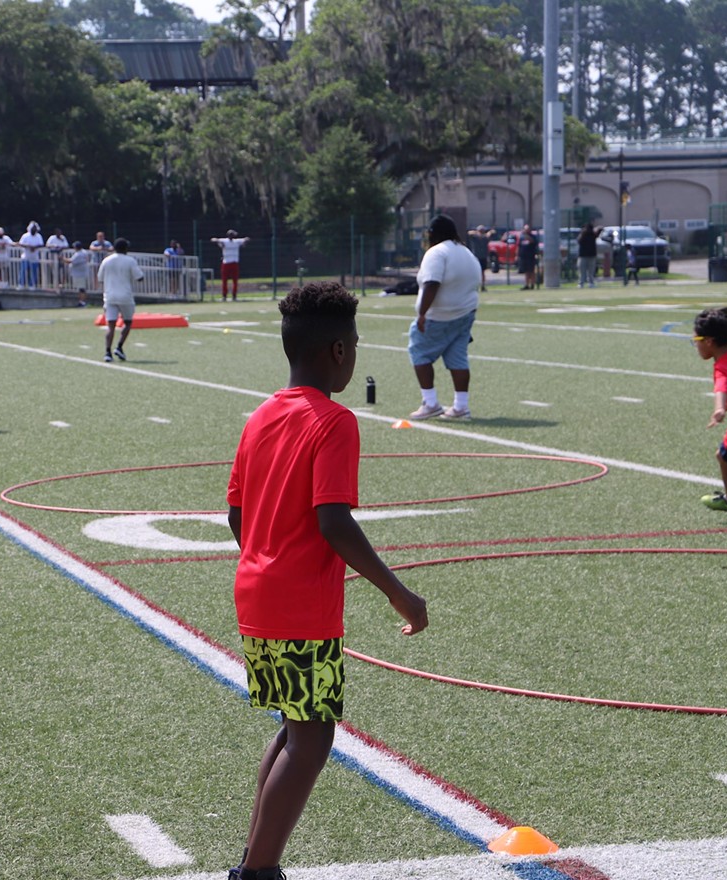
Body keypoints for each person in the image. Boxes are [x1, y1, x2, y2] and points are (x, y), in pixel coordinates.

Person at [224, 281, 428, 880]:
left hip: (256, 592)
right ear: (339, 351)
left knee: (297, 728)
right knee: (312, 740)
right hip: (299, 604)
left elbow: (236, 512)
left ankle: (254, 858)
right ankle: (257, 872)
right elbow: (333, 520)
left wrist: (265, 555)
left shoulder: (261, 414)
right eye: (357, 343)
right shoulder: (334, 422)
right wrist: (399, 591)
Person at [407, 214, 481, 422]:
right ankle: (461, 406)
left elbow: (432, 283)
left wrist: (422, 314)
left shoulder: (436, 253)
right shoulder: (466, 252)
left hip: (438, 316)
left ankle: (430, 403)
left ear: (432, 234)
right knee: (457, 358)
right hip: (465, 314)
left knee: (419, 353)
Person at [694, 308, 727, 513]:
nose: (695, 345)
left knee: (724, 456)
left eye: (696, 339)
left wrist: (719, 409)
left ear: (708, 341)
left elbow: (722, 387)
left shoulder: (721, 367)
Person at [98, 237, 144, 363]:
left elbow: (100, 278)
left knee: (111, 326)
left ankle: (107, 352)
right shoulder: (130, 260)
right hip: (125, 296)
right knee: (128, 323)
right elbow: (139, 277)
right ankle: (119, 346)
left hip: (110, 296)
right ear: (125, 249)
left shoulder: (106, 260)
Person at [211, 230, 250, 301]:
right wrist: (219, 243)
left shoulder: (236, 241)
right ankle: (226, 295)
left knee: (234, 281)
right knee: (225, 281)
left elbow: (247, 239)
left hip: (232, 263)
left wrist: (244, 242)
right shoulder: (225, 241)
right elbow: (213, 239)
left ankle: (232, 295)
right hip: (227, 262)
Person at [66, 241, 91, 307]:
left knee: (81, 289)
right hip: (82, 272)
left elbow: (71, 261)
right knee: (81, 288)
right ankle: (81, 301)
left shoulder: (79, 254)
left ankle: (82, 302)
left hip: (79, 274)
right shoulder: (84, 252)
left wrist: (62, 258)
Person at [18, 221, 43, 288]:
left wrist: (34, 247)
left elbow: (41, 244)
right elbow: (21, 243)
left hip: (34, 257)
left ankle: (32, 285)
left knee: (33, 272)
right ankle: (21, 284)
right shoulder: (25, 236)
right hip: (26, 256)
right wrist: (29, 246)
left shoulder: (38, 236)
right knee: (23, 271)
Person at [466, 225, 490, 291]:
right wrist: (477, 232)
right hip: (476, 257)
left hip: (483, 257)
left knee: (482, 272)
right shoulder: (475, 237)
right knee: (475, 272)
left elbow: (489, 235)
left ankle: (483, 286)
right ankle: (475, 286)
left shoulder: (485, 238)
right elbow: (469, 233)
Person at [577, 222, 600, 288]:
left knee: (591, 271)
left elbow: (599, 231)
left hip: (591, 255)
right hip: (583, 255)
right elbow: (579, 240)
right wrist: (583, 232)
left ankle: (591, 283)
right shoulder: (582, 235)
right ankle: (581, 283)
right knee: (582, 271)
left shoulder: (593, 235)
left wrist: (597, 229)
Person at [516, 224, 538, 289]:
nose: (526, 230)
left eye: (527, 229)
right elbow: (518, 246)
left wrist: (526, 236)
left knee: (531, 271)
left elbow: (533, 241)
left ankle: (532, 284)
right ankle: (526, 285)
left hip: (530, 257)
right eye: (525, 229)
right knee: (526, 271)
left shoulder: (533, 236)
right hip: (523, 257)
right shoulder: (521, 237)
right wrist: (517, 255)